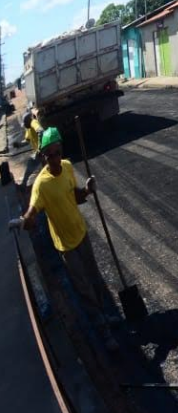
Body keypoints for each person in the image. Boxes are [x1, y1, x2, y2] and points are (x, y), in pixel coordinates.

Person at [9, 127, 119, 351]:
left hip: (81, 233)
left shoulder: (68, 167)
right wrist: (23, 221)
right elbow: (33, 212)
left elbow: (75, 196)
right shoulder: (41, 185)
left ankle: (108, 316)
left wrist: (87, 190)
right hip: (66, 246)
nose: (54, 158)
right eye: (48, 155)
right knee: (83, 288)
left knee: (95, 278)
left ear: (61, 151)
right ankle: (103, 330)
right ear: (43, 157)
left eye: (56, 152)